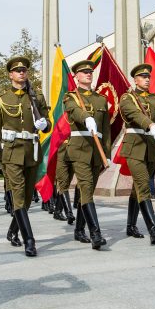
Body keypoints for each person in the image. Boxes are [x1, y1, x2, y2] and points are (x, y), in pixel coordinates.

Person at [0, 56, 50, 257]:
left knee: (29, 197)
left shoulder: (37, 97)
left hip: (32, 151)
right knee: (18, 194)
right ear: (10, 75)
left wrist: (45, 125)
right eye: (17, 70)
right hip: (12, 152)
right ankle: (29, 241)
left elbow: (47, 122)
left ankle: (13, 230)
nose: (21, 72)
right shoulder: (2, 100)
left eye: (24, 69)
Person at [63, 60, 111, 250]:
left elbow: (106, 129)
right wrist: (86, 118)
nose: (88, 74)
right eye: (84, 72)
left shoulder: (101, 99)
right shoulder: (71, 97)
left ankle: (78, 230)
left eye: (90, 71)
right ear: (76, 76)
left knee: (87, 191)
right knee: (85, 187)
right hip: (80, 148)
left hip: (96, 151)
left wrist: (106, 153)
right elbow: (73, 112)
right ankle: (96, 234)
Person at [119, 63, 155, 244]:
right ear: (135, 80)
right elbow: (133, 115)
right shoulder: (127, 98)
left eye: (148, 77)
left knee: (136, 189)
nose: (147, 79)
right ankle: (153, 229)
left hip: (152, 148)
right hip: (135, 147)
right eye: (143, 77)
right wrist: (150, 124)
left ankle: (131, 225)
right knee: (144, 185)